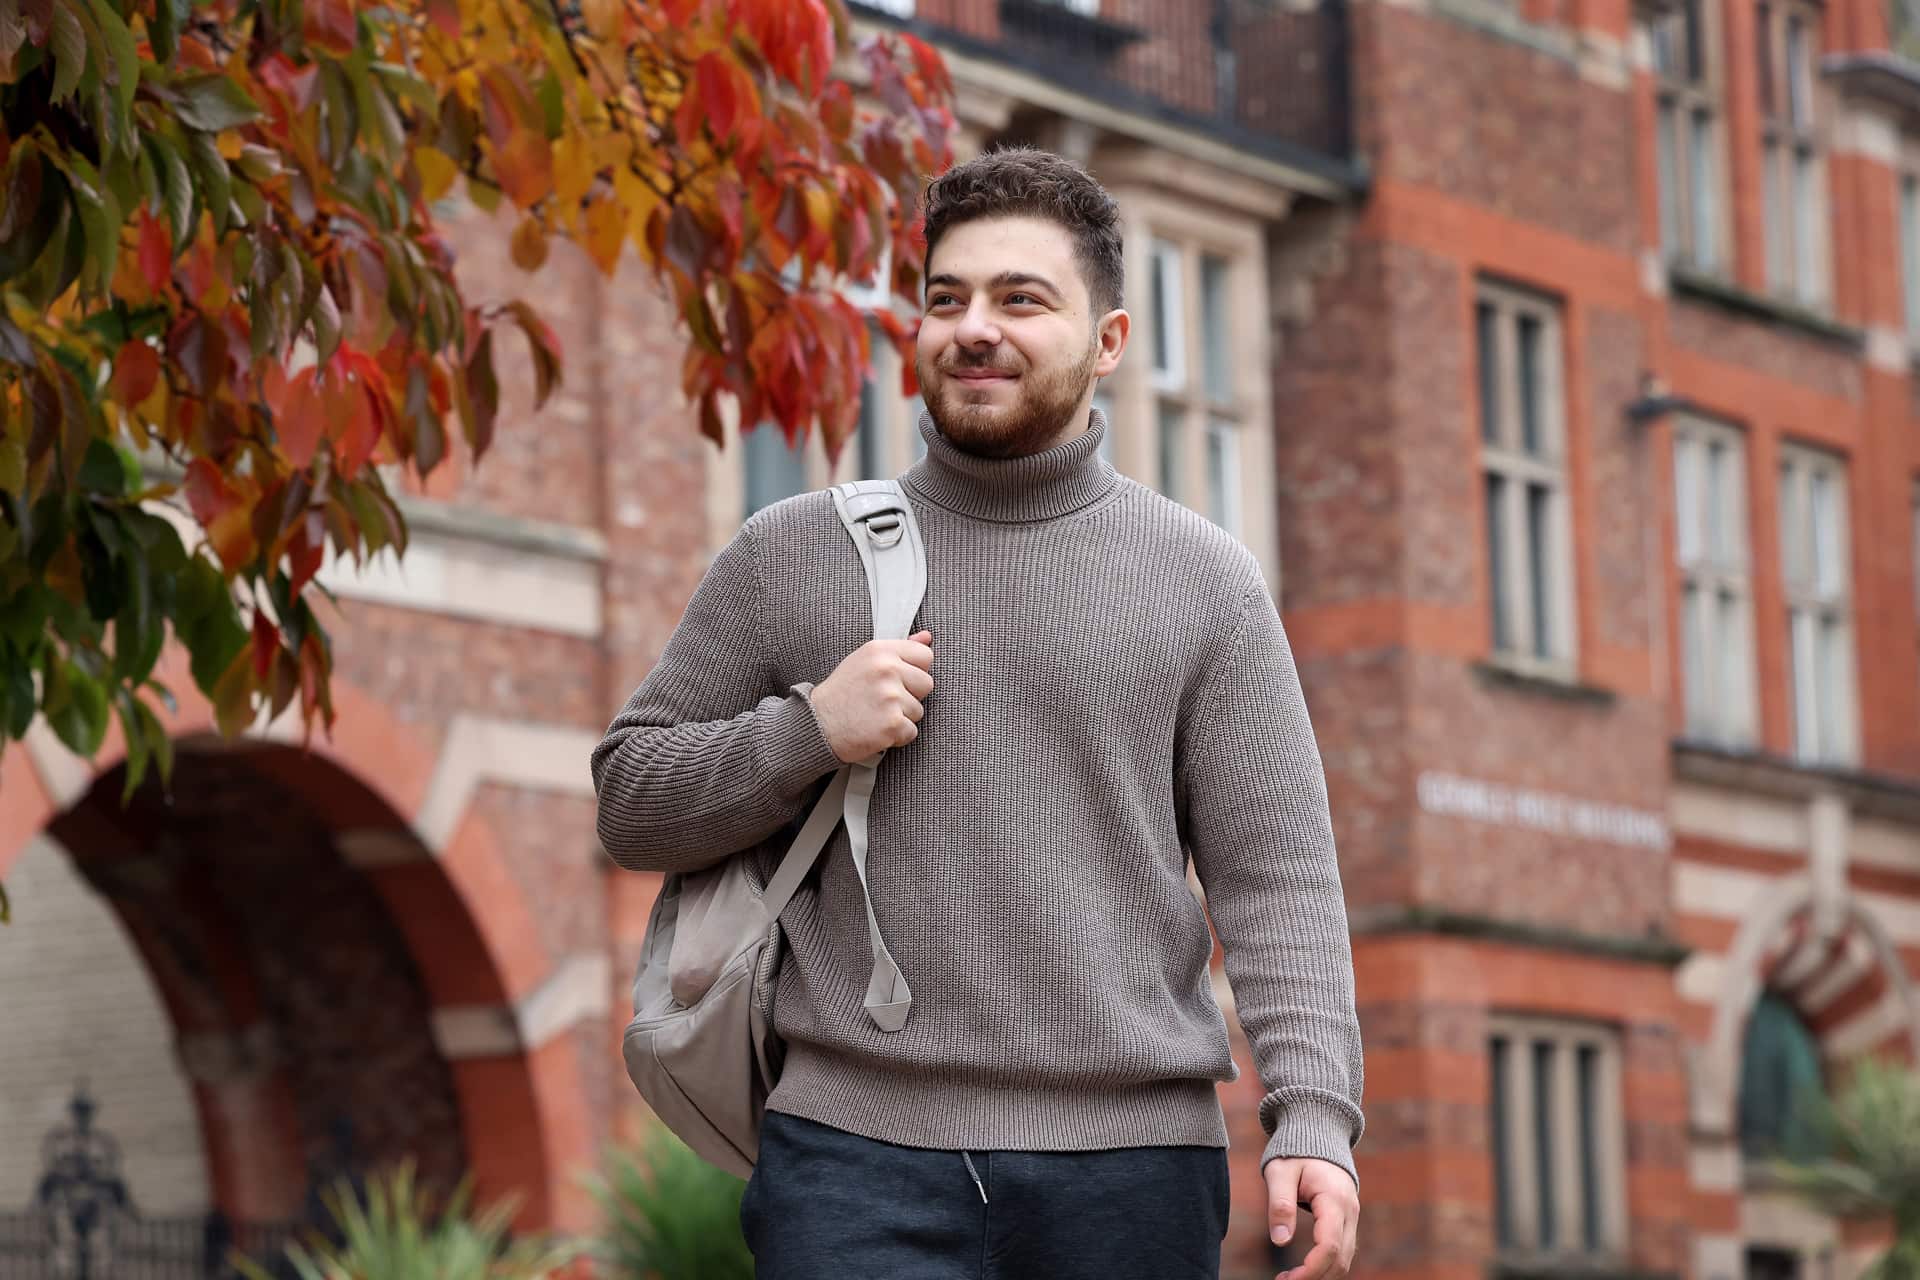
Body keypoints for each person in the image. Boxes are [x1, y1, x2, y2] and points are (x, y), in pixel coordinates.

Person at [590, 146, 1364, 1280]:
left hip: (1134, 1169)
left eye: (1020, 298)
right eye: (945, 299)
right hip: (852, 1163)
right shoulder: (789, 555)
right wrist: (806, 731)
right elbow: (629, 801)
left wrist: (1316, 1114)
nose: (972, 327)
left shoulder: (1205, 580)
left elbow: (1278, 876)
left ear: (1107, 342)